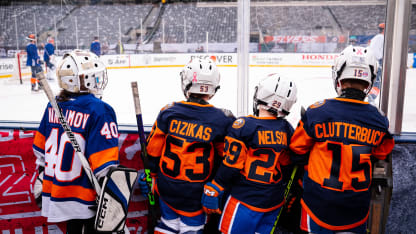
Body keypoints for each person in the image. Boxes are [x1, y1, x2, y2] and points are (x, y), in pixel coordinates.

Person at [289, 45, 395, 234]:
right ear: (369, 79)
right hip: (355, 207)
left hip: (318, 203)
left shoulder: (317, 112)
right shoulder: (378, 120)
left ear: (339, 75)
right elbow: (382, 151)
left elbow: (297, 148)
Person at [139, 58, 235, 233]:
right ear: (213, 88)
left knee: (167, 226)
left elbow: (151, 151)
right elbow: (227, 160)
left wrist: (150, 176)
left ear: (186, 83)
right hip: (196, 195)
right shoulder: (222, 120)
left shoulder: (168, 112)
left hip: (166, 188)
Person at [32, 49, 118, 233]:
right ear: (83, 80)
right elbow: (105, 167)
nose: (97, 81)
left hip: (57, 191)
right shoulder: (100, 110)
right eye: (93, 77)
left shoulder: (53, 105)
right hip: (84, 198)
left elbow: (40, 151)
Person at [201, 73, 298, 234]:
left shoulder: (243, 125)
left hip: (244, 202)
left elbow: (232, 164)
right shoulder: (287, 129)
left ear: (261, 95)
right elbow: (287, 163)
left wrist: (216, 186)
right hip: (273, 201)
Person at [368, 22, 385, 104]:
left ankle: (371, 99)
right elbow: (374, 50)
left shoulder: (380, 37)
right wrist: (380, 60)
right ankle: (371, 99)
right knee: (376, 81)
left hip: (376, 61)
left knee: (376, 81)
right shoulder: (380, 37)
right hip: (377, 62)